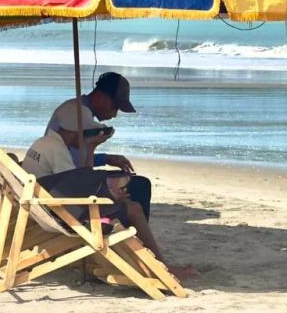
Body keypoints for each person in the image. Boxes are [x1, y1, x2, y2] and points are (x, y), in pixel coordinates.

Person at [24, 99, 192, 277]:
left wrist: (92, 151)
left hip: (42, 209)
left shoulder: (42, 143)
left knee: (120, 195)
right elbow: (78, 187)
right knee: (133, 208)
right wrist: (110, 194)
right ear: (76, 131)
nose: (87, 136)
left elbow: (77, 180)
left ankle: (138, 257)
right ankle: (158, 266)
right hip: (60, 215)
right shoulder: (57, 150)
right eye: (86, 132)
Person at [46, 72, 154, 219]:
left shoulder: (74, 109)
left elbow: (74, 156)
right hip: (64, 188)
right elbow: (81, 169)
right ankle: (124, 227)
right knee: (139, 186)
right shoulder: (79, 114)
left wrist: (105, 158)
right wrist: (98, 148)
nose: (114, 114)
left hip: (61, 181)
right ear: (99, 97)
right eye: (114, 106)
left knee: (129, 182)